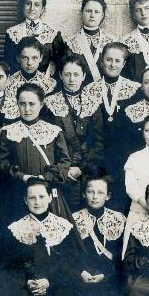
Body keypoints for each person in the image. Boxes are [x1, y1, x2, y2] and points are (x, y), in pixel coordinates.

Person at [0, 178, 99, 296]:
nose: (37, 202)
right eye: (32, 198)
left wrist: (48, 281)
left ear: (49, 198)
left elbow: (69, 260)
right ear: (25, 201)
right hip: (29, 281)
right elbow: (12, 263)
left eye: (41, 197)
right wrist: (28, 281)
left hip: (55, 279)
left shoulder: (63, 226)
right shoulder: (16, 228)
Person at [0, 84, 73, 221]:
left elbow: (64, 163)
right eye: (22, 104)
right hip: (18, 195)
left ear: (41, 105)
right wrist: (21, 176)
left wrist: (46, 177)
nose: (27, 109)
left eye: (32, 104)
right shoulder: (8, 131)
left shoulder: (53, 131)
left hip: (47, 194)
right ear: (17, 104)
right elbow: (0, 163)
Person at [41, 54, 103, 209]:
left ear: (83, 76)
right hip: (60, 170)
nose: (72, 79)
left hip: (88, 169)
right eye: (67, 74)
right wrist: (63, 168)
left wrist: (82, 168)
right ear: (60, 75)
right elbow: (47, 142)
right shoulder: (50, 102)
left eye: (76, 74)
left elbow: (99, 141)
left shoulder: (94, 102)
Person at [89, 42, 142, 204]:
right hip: (98, 156)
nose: (112, 64)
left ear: (124, 64)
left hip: (125, 154)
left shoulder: (135, 89)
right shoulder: (90, 89)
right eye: (108, 59)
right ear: (101, 61)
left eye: (117, 61)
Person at [72, 176, 127, 296]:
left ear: (108, 196)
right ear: (84, 193)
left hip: (109, 274)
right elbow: (71, 253)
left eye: (100, 193)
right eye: (90, 192)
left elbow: (121, 253)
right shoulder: (74, 218)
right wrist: (82, 272)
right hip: (83, 273)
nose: (95, 197)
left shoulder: (118, 219)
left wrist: (105, 273)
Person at [4, 0, 65, 76]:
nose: (32, 8)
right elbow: (8, 63)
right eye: (28, 3)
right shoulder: (12, 33)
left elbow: (61, 63)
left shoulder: (53, 33)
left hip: (44, 83)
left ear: (42, 9)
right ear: (22, 6)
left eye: (37, 5)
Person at [64, 0, 116, 81]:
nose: (92, 15)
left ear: (102, 15)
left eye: (97, 12)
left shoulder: (112, 41)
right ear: (82, 12)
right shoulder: (70, 42)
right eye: (88, 11)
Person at [4, 37, 58, 104]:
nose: (29, 63)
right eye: (25, 58)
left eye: (34, 58)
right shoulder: (9, 83)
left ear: (40, 58)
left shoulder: (47, 84)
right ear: (18, 58)